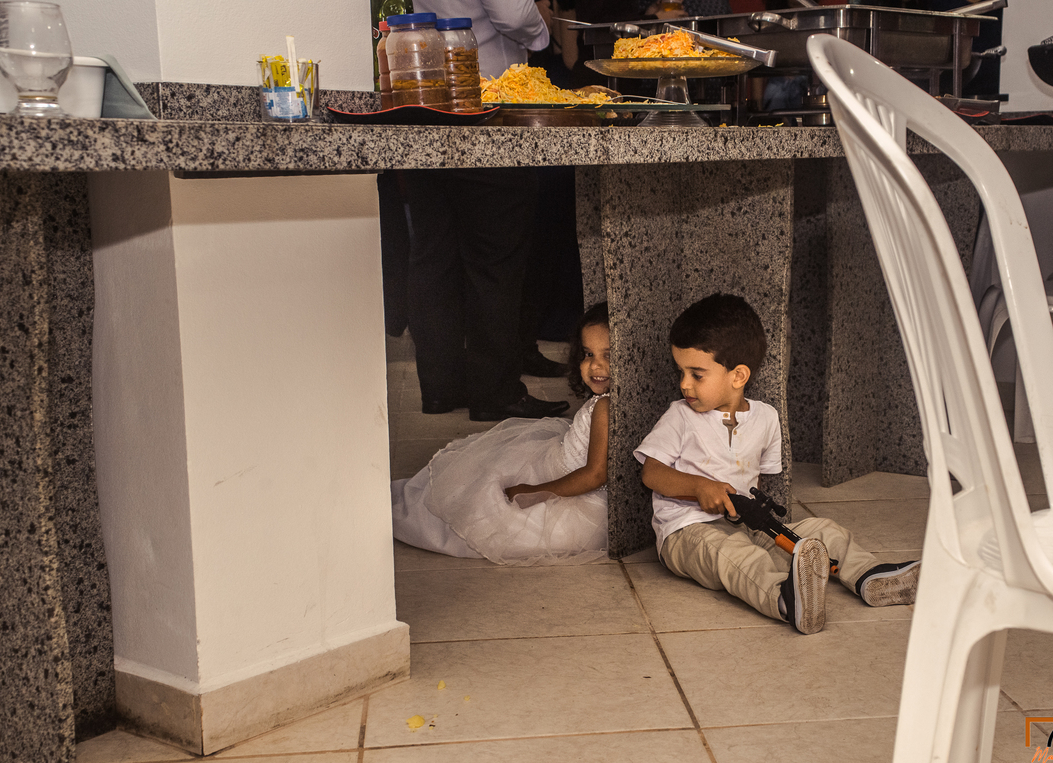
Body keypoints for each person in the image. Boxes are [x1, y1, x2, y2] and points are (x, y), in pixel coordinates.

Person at [634, 294, 920, 634]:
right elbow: (651, 473)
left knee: (823, 530)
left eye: (697, 374)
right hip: (686, 531)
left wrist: (765, 527)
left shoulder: (766, 418)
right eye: (681, 372)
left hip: (746, 521)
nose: (684, 384)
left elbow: (760, 480)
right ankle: (785, 599)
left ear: (738, 376)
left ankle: (869, 577)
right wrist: (698, 487)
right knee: (735, 555)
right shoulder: (679, 416)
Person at [404, 0, 566, 420]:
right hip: (484, 103)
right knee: (496, 261)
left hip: (422, 95)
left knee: (433, 255)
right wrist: (541, 25)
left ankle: (441, 388)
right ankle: (494, 393)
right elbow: (512, 13)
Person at [391, 302, 611, 565]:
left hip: (567, 487)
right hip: (554, 461)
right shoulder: (610, 401)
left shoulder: (605, 407)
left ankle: (404, 511)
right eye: (588, 354)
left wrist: (534, 492)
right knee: (479, 478)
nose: (595, 366)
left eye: (608, 355)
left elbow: (595, 474)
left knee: (483, 509)